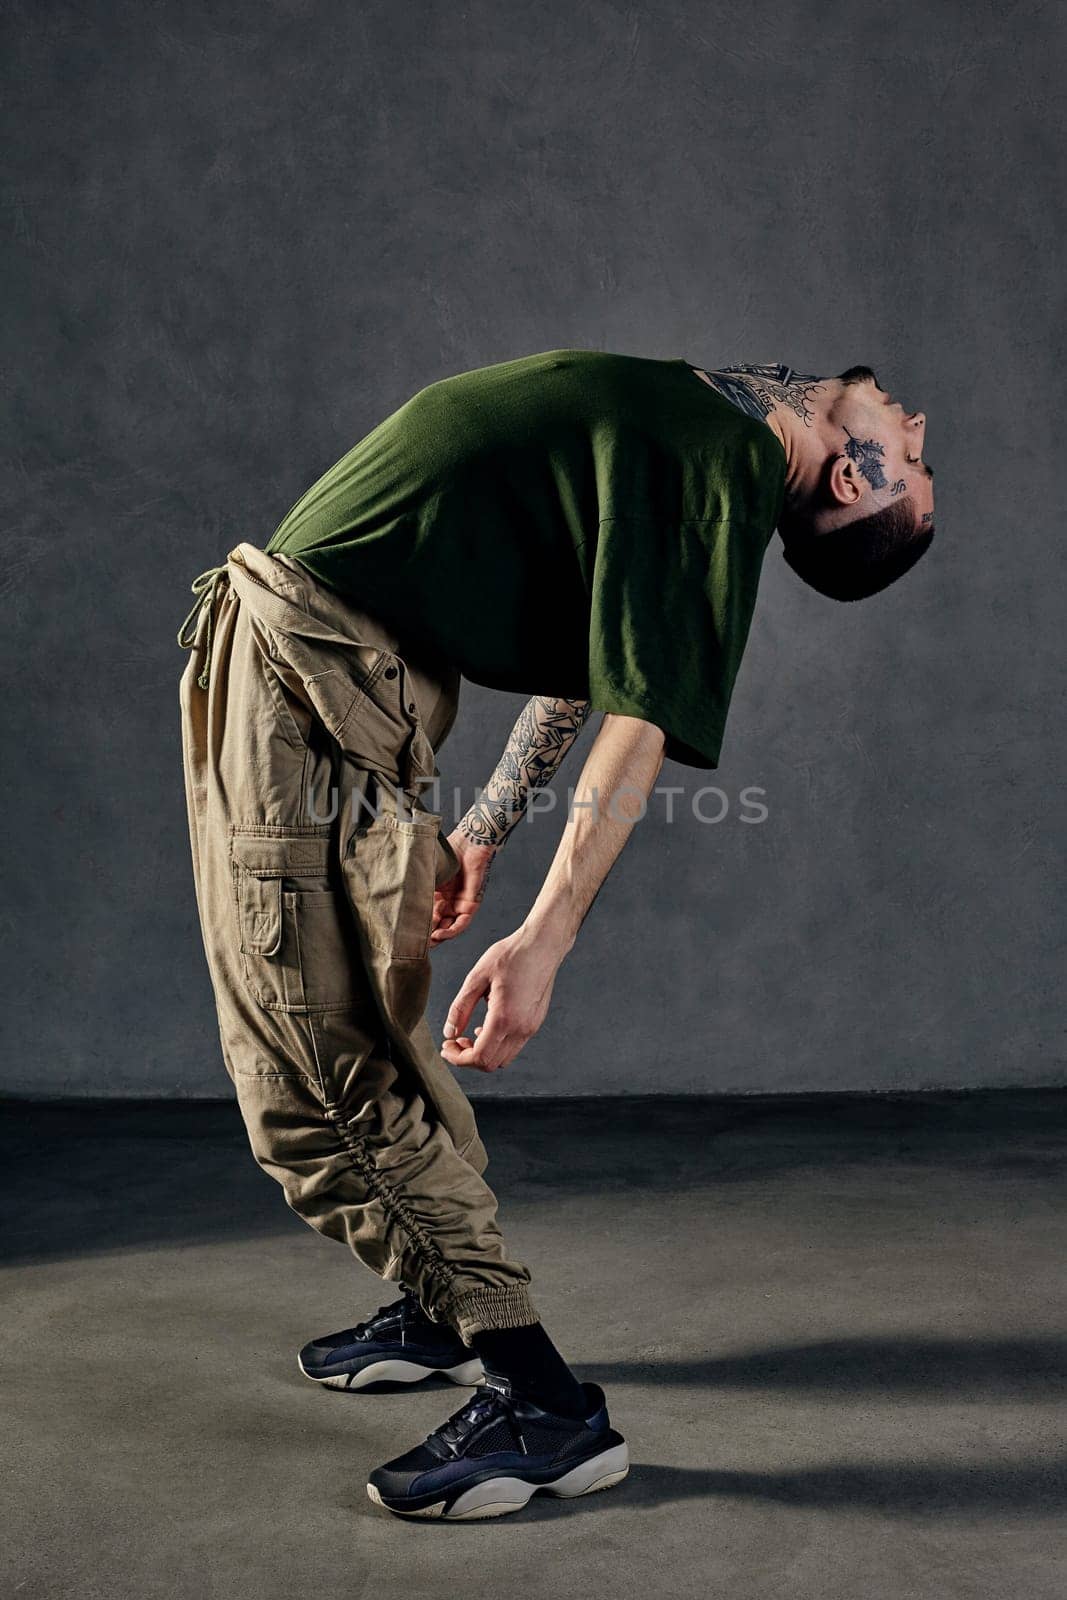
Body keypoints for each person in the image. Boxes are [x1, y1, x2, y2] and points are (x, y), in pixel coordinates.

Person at [176, 349, 935, 1521]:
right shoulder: (711, 433)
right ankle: (437, 1308)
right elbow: (603, 649)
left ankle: (543, 1405)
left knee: (311, 1061)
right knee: (342, 1026)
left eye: (916, 458)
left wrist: (544, 937)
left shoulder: (723, 462)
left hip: (314, 673)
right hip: (329, 664)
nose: (915, 419)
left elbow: (638, 720)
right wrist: (483, 826)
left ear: (853, 483)